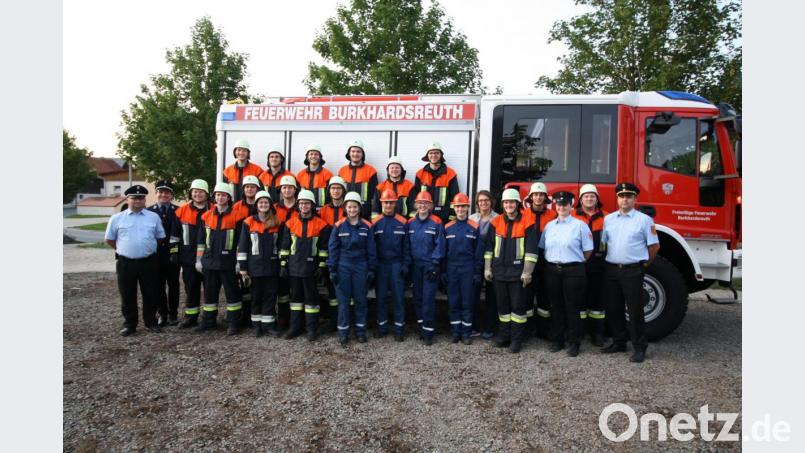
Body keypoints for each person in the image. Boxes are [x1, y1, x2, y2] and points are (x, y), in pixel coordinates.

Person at [601, 182, 660, 363]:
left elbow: (654, 246)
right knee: (614, 308)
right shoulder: (608, 219)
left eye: (629, 196)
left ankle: (639, 347)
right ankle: (619, 342)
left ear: (635, 198)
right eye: (621, 196)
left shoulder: (644, 220)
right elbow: (604, 244)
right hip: (612, 269)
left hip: (633, 270)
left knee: (635, 310)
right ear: (617, 198)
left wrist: (642, 266)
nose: (625, 199)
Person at [104, 185, 166, 336]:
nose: (138, 201)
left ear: (145, 200)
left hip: (148, 262)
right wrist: (124, 250)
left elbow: (160, 237)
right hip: (126, 263)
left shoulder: (153, 217)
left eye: (141, 198)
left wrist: (146, 249)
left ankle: (150, 321)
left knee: (150, 293)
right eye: (134, 198)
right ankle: (130, 324)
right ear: (127, 199)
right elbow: (110, 239)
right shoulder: (117, 218)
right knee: (127, 294)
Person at [483, 188, 538, 353]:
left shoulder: (527, 223)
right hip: (499, 273)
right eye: (506, 202)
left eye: (512, 202)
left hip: (518, 274)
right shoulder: (496, 222)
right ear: (502, 204)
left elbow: (531, 251)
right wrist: (487, 268)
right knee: (503, 308)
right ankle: (504, 337)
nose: (509, 205)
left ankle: (516, 341)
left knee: (518, 309)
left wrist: (527, 272)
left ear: (517, 204)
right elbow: (489, 249)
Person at [540, 191, 594, 357]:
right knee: (556, 307)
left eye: (565, 204)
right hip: (553, 271)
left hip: (573, 271)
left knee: (572, 308)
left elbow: (588, 251)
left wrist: (573, 262)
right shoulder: (549, 226)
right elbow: (543, 247)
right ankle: (557, 340)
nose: (562, 207)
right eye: (559, 205)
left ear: (571, 206)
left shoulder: (580, 225)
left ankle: (574, 343)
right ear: (555, 206)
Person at [278, 189, 331, 341]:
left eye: (307, 203)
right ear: (298, 205)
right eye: (301, 203)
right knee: (295, 300)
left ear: (312, 205)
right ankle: (295, 328)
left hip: (311, 269)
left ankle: (311, 329)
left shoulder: (321, 225)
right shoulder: (290, 224)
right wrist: (283, 264)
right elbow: (284, 246)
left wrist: (321, 266)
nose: (304, 206)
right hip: (293, 268)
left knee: (311, 300)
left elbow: (323, 249)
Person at [195, 182, 246, 335]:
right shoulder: (206, 216)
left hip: (228, 262)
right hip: (210, 261)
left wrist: (239, 262)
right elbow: (201, 241)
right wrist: (198, 260)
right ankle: (208, 321)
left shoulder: (237, 217)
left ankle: (233, 324)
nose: (220, 197)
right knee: (210, 294)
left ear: (229, 197)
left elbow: (240, 242)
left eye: (223, 195)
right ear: (214, 197)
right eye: (218, 195)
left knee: (233, 295)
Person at [328, 192, 377, 345]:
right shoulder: (338, 225)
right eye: (349, 206)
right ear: (345, 208)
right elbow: (333, 248)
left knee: (360, 300)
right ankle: (343, 333)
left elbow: (371, 249)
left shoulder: (367, 226)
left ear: (359, 208)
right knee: (343, 301)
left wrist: (371, 269)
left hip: (361, 266)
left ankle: (360, 331)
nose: (352, 209)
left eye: (355, 206)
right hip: (343, 265)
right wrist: (333, 269)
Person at [237, 191, 283, 338]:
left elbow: (282, 245)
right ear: (256, 205)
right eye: (261, 202)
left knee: (270, 296)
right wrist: (243, 268)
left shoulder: (277, 222)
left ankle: (268, 325)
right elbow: (243, 246)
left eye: (266, 202)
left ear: (270, 205)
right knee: (256, 296)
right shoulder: (248, 222)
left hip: (272, 266)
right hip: (254, 267)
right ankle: (256, 325)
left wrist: (282, 265)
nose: (263, 205)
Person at [443, 193, 484, 345]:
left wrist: (477, 272)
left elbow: (478, 252)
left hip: (468, 268)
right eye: (458, 206)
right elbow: (443, 252)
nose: (460, 209)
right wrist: (443, 271)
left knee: (467, 302)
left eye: (463, 206)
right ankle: (455, 332)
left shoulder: (474, 227)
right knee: (453, 302)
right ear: (454, 208)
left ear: (468, 207)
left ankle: (466, 333)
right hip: (452, 268)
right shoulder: (447, 227)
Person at [370, 189, 410, 341]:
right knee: (381, 298)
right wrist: (372, 267)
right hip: (381, 265)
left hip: (396, 265)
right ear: (381, 203)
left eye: (391, 202)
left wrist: (406, 264)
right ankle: (382, 328)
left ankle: (399, 330)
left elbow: (407, 247)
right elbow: (371, 247)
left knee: (399, 298)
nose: (388, 205)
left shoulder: (403, 222)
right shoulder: (374, 223)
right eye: (386, 202)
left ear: (395, 204)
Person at [407, 191, 445, 345]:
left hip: (430, 266)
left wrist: (435, 264)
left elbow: (440, 245)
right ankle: (421, 327)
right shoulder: (409, 223)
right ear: (416, 205)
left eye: (426, 203)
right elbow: (406, 246)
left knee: (428, 298)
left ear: (430, 206)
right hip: (415, 266)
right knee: (417, 298)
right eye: (420, 203)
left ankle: (428, 332)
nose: (422, 205)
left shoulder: (436, 222)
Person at [572, 184, 609, 346]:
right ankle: (578, 333)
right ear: (580, 200)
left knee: (598, 301)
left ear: (597, 199)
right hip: (578, 265)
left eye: (592, 196)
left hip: (599, 264)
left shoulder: (607, 218)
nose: (589, 199)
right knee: (578, 299)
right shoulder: (572, 216)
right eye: (586, 196)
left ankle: (597, 334)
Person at [172, 179, 210, 329]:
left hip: (208, 257)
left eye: (201, 192)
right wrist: (174, 252)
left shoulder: (213, 209)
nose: (198, 194)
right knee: (191, 288)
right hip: (188, 257)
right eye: (195, 191)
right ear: (191, 193)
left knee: (209, 289)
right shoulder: (181, 211)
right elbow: (174, 235)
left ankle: (208, 318)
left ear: (206, 194)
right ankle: (191, 317)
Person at [522, 182, 558, 338]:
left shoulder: (553, 216)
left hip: (546, 263)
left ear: (545, 198)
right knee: (526, 298)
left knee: (545, 298)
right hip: (528, 264)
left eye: (541, 195)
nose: (538, 197)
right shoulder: (523, 215)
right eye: (535, 194)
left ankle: (544, 331)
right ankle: (529, 330)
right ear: (531, 197)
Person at [147, 180, 180, 326]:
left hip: (173, 254)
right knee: (158, 286)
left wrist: (176, 252)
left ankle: (173, 313)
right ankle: (162, 314)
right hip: (156, 255)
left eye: (167, 192)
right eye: (160, 192)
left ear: (171, 195)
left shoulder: (178, 211)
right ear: (156, 193)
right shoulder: (148, 212)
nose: (163, 195)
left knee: (174, 286)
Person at [318, 175, 348, 331]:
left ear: (343, 190)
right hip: (330, 256)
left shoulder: (349, 208)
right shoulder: (323, 211)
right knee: (331, 289)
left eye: (338, 188)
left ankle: (347, 321)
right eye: (333, 188)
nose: (335, 191)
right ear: (329, 191)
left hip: (346, 256)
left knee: (346, 290)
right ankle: (334, 321)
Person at [469, 190, 499, 340]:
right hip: (474, 262)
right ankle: (473, 326)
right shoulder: (472, 219)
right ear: (477, 203)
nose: (483, 203)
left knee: (491, 297)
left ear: (491, 201)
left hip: (492, 262)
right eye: (480, 200)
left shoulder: (498, 218)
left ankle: (489, 327)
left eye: (486, 200)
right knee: (473, 295)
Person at [273, 174, 298, 330]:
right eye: (284, 188)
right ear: (280, 190)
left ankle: (296, 321)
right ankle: (283, 319)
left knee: (295, 290)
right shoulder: (274, 209)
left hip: (296, 256)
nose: (287, 190)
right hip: (277, 253)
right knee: (282, 290)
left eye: (290, 187)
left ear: (295, 190)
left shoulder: (302, 206)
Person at [412, 141, 460, 223]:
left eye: (437, 153)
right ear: (427, 155)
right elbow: (415, 198)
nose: (433, 155)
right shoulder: (420, 174)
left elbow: (455, 199)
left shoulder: (450, 174)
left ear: (441, 155)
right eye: (431, 153)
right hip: (424, 216)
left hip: (444, 218)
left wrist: (451, 217)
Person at [338, 139, 378, 220]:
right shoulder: (342, 171)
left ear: (362, 154)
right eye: (353, 151)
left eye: (358, 151)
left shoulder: (371, 171)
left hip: (365, 212)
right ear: (349, 153)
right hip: (346, 211)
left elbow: (375, 195)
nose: (355, 154)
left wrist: (373, 213)